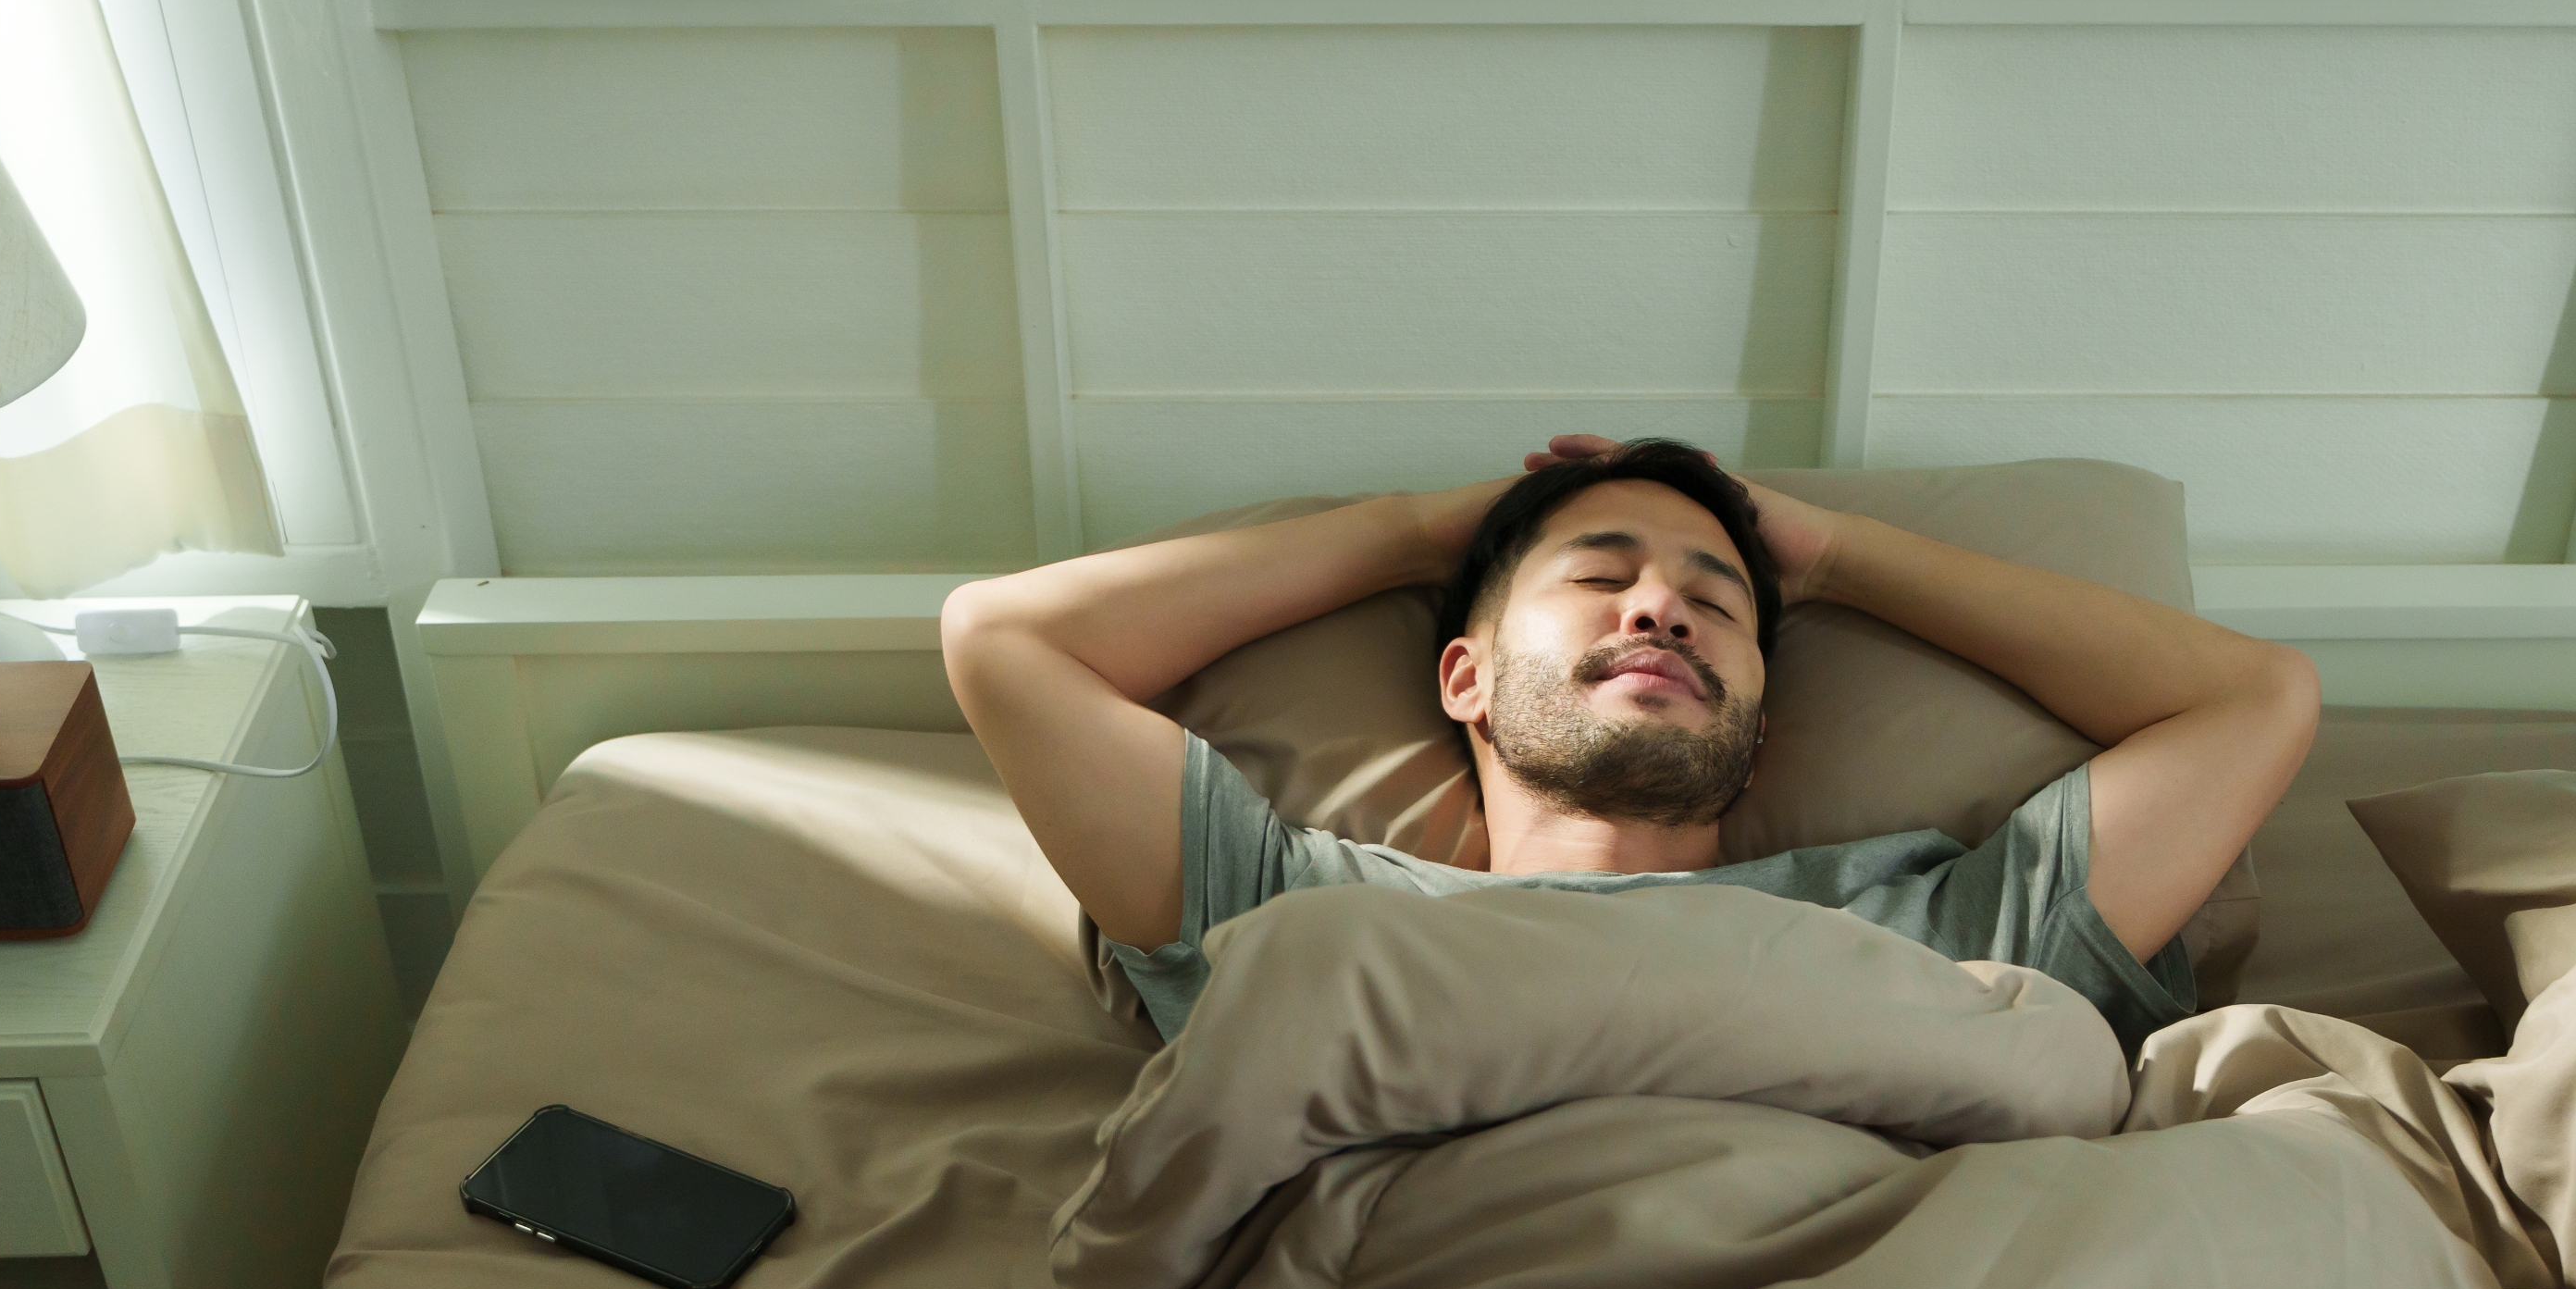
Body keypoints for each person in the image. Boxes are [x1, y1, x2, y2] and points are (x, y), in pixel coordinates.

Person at [936, 436, 2319, 1059]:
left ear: (1760, 726)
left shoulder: (1942, 918)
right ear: (1463, 678)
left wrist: (1833, 554)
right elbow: (1003, 639)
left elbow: (2256, 700)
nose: (1660, 601)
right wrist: (1423, 530)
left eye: (1716, 597)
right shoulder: (1307, 915)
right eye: (1597, 575)